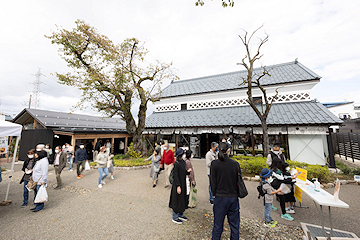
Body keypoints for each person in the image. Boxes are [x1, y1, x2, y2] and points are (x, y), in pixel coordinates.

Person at [210, 142, 241, 240]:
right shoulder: (235, 164)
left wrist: (214, 193)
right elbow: (238, 181)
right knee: (235, 225)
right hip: (233, 197)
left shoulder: (214, 164)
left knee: (218, 225)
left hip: (220, 197)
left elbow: (212, 182)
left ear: (218, 149)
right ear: (228, 150)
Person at [169, 148, 192, 224]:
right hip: (177, 184)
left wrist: (188, 172)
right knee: (177, 200)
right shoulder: (177, 163)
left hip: (183, 183)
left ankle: (181, 214)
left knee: (182, 199)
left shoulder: (183, 162)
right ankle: (175, 217)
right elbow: (176, 175)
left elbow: (183, 172)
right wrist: (178, 186)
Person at [31, 148, 49, 212]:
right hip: (36, 180)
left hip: (40, 180)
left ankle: (40, 206)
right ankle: (36, 205)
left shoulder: (44, 161)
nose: (35, 155)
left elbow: (44, 172)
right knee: (36, 193)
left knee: (39, 194)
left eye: (36, 154)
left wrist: (43, 180)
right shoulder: (40, 160)